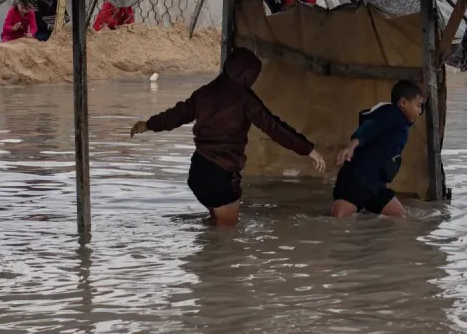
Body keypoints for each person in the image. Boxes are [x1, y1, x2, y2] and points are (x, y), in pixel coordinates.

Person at [130, 48, 326, 226]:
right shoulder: (245, 99)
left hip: (197, 174)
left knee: (214, 228)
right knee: (227, 242)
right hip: (221, 178)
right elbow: (274, 127)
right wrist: (307, 149)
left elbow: (175, 115)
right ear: (248, 76)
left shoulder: (204, 93)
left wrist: (148, 124)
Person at [331, 80, 426, 218]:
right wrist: (352, 145)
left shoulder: (402, 124)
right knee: (338, 221)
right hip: (356, 181)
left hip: (376, 186)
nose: (420, 111)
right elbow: (369, 127)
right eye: (418, 106)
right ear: (403, 103)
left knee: (400, 217)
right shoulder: (389, 112)